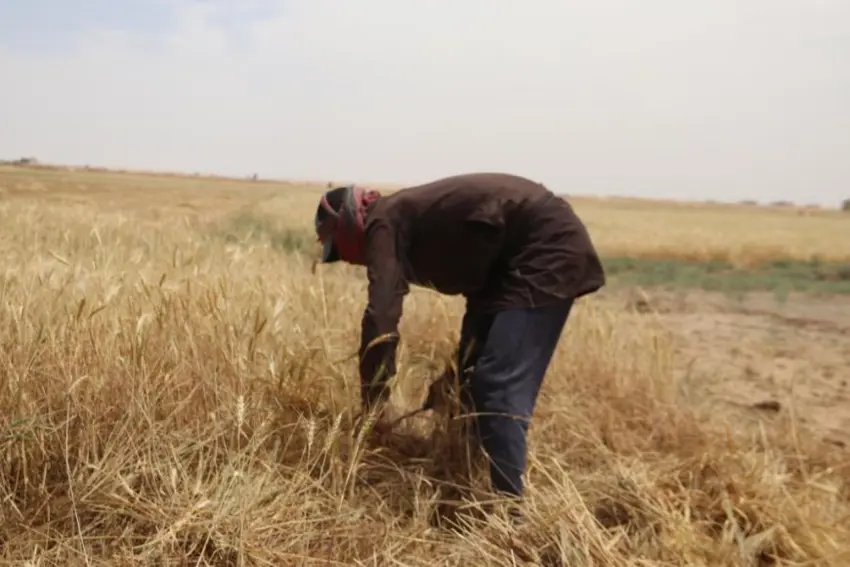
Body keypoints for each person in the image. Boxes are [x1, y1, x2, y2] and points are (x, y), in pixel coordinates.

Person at [314, 172, 605, 501]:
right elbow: (482, 296)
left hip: (546, 248)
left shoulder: (382, 222)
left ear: (350, 225)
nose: (348, 259)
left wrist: (373, 405)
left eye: (338, 249)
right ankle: (469, 485)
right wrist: (456, 374)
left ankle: (510, 512)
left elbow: (380, 320)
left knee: (497, 387)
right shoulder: (402, 218)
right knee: (466, 385)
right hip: (509, 270)